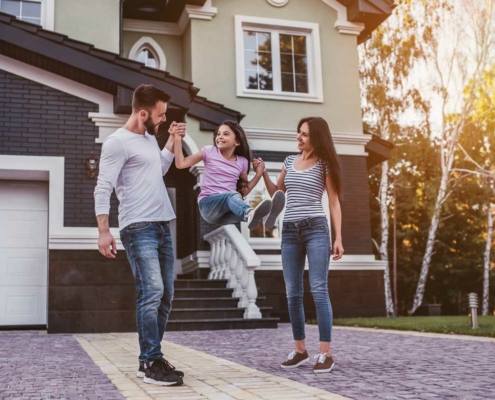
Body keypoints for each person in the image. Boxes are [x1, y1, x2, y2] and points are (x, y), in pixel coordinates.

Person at [94, 84, 185, 387]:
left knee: (166, 296)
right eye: (160, 116)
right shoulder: (116, 143)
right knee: (152, 292)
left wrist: (172, 140)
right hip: (138, 228)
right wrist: (104, 231)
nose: (162, 120)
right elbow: (103, 186)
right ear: (143, 112)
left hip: (162, 226)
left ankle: (152, 356)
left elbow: (158, 168)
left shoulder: (148, 140)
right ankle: (150, 361)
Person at [257, 117, 344, 374]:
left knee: (318, 289)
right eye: (299, 133)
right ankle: (300, 350)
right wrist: (262, 174)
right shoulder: (288, 162)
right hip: (290, 231)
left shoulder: (325, 165)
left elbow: (334, 203)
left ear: (316, 138)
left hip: (316, 228)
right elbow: (276, 194)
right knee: (292, 292)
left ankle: (325, 354)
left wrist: (338, 238)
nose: (299, 137)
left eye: (304, 134)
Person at [173, 120, 285, 229]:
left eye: (225, 134)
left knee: (238, 200)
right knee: (232, 196)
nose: (220, 137)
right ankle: (249, 213)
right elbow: (181, 163)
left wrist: (259, 174)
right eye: (218, 134)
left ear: (237, 142)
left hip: (225, 213)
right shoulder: (209, 151)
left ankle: (264, 218)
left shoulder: (242, 162)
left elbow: (243, 191)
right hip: (208, 205)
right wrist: (177, 139)